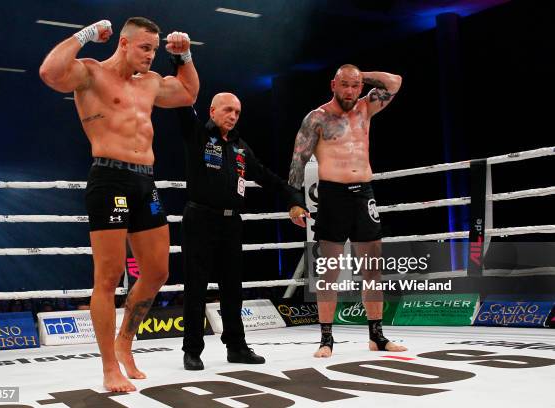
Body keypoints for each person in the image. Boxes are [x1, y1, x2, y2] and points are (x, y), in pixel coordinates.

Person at [39, 17, 199, 391]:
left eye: (155, 49)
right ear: (124, 44)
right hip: (110, 178)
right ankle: (109, 367)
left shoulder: (150, 83)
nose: (150, 55)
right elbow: (49, 71)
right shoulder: (91, 74)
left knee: (158, 271)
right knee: (108, 277)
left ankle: (124, 342)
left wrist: (185, 55)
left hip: (146, 180)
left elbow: (189, 94)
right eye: (145, 48)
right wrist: (87, 34)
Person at [176, 92, 308, 370]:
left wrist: (295, 200)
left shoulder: (240, 147)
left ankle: (236, 347)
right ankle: (192, 350)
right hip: (199, 219)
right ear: (212, 111)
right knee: (196, 288)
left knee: (233, 288)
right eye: (227, 110)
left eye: (237, 112)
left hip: (231, 223)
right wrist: (180, 60)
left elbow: (265, 176)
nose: (233, 116)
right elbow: (182, 105)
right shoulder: (198, 135)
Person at [288, 64, 407, 357]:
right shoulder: (317, 118)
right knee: (329, 271)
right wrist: (294, 201)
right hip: (332, 196)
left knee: (372, 270)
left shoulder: (366, 108)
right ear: (333, 85)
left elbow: (395, 81)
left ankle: (376, 336)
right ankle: (326, 339)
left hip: (363, 194)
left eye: (355, 86)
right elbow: (298, 161)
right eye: (345, 85)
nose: (351, 91)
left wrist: (359, 75)